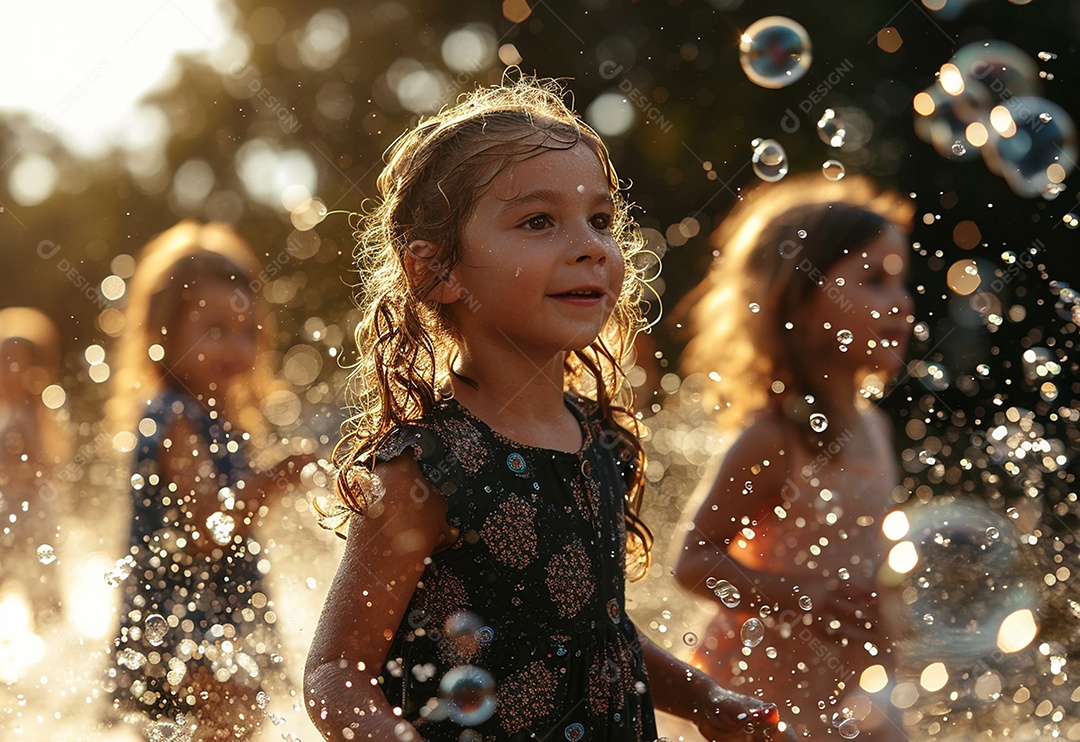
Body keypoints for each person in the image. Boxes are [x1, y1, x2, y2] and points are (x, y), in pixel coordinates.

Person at [304, 76, 794, 742]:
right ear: (435, 271)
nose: (590, 244)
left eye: (600, 219)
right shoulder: (428, 468)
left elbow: (602, 634)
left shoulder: (600, 443)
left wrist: (706, 698)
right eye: (538, 221)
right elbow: (335, 670)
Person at [673, 174, 915, 740]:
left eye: (903, 283)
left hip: (846, 690)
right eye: (874, 281)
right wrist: (805, 598)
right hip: (762, 691)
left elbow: (862, 559)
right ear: (798, 302)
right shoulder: (776, 441)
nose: (901, 303)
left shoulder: (874, 429)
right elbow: (694, 563)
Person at [106, 221, 314, 740]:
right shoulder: (176, 419)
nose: (235, 347)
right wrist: (273, 481)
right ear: (163, 333)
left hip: (214, 612)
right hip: (183, 622)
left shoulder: (220, 419)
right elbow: (207, 530)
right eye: (215, 330)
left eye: (248, 333)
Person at [0, 307, 69, 632]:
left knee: (44, 598)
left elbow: (45, 467)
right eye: (3, 359)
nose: (8, 370)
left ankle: (56, 657)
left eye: (17, 361)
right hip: (5, 515)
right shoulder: (6, 414)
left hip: (32, 520)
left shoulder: (36, 416)